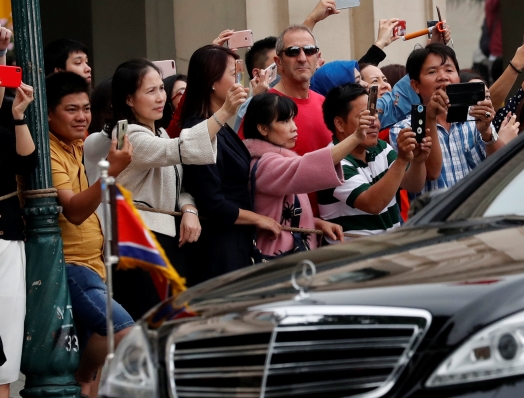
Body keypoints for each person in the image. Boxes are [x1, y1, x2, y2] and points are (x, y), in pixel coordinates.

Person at [107, 59, 240, 317]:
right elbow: (176, 151)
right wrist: (223, 113)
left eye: (161, 88)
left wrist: (189, 208)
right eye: (150, 91)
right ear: (129, 100)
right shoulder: (127, 136)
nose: (160, 97)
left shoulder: (159, 133)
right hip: (138, 243)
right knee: (148, 323)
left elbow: (179, 184)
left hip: (167, 240)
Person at [47, 71, 133, 398]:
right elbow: (74, 210)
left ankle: (85, 390)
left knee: (105, 341)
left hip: (92, 265)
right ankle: (81, 381)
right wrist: (111, 171)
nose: (82, 116)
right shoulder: (50, 152)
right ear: (49, 113)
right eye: (71, 110)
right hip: (70, 266)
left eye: (86, 108)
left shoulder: (76, 144)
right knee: (121, 330)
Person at [180, 45, 268, 286]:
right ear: (211, 81)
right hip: (218, 245)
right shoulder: (198, 129)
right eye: (233, 74)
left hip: (235, 238)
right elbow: (212, 202)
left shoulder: (220, 125)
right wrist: (259, 219)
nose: (239, 82)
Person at [0, 27, 37, 398]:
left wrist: (18, 114)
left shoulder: (5, 108)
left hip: (8, 236)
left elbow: (26, 164)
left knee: (5, 363)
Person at [242, 93, 346, 256]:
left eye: (292, 119)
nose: (294, 127)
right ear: (262, 128)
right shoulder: (264, 164)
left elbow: (286, 216)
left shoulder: (273, 158)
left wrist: (315, 224)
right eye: (284, 121)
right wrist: (356, 138)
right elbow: (306, 169)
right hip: (277, 257)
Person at [390, 44, 499, 194]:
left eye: (449, 70)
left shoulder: (475, 116)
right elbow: (432, 174)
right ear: (416, 85)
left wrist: (487, 132)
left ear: (458, 78)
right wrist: (430, 117)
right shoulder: (405, 129)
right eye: (432, 71)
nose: (443, 77)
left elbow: (503, 163)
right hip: (436, 215)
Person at [321, 84, 425, 235]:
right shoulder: (333, 161)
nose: (375, 123)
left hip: (389, 247)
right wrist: (402, 160)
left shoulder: (381, 147)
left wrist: (418, 160)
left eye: (375, 114)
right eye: (365, 116)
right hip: (355, 255)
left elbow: (414, 185)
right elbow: (373, 204)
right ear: (339, 124)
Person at [270, 25, 332, 159]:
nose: (302, 58)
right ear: (278, 62)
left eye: (309, 50)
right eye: (293, 51)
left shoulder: (327, 105)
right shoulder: (263, 106)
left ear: (318, 58)